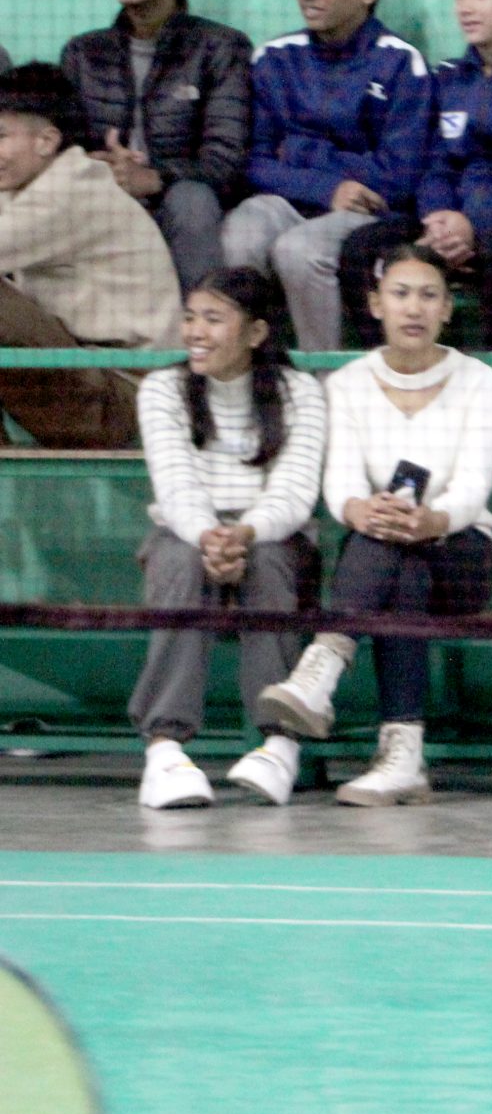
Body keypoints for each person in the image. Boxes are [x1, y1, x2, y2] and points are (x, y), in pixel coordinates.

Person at [259, 247, 492, 806]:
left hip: (462, 553)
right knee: (398, 566)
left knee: (398, 553)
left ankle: (324, 668)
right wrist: (359, 510)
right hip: (389, 552)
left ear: (447, 309)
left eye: (429, 295)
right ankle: (402, 757)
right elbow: (342, 482)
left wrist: (431, 520)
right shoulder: (347, 384)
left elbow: (472, 489)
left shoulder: (480, 381)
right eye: (400, 294)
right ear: (375, 304)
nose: (414, 308)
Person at [337, 0, 492, 446]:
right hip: (445, 218)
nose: (465, 8)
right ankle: (394, 386)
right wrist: (439, 217)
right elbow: (433, 162)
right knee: (362, 248)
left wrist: (474, 226)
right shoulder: (446, 78)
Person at [128, 269, 326, 810]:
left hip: (272, 534)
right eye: (191, 317)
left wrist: (245, 532)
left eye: (214, 319)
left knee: (269, 562)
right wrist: (208, 537)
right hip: (187, 530)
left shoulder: (301, 392)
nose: (195, 332)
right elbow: (175, 487)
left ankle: (279, 745)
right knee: (180, 562)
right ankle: (164, 750)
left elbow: (294, 491)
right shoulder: (162, 389)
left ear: (257, 332)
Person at [221, 0, 434, 349]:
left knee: (299, 251)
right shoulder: (274, 58)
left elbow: (399, 177)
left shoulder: (401, 63)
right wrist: (328, 187)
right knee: (242, 233)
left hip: (368, 213)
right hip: (291, 201)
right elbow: (254, 163)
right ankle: (254, 369)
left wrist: (299, 151)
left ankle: (322, 378)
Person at [58, 0, 255, 291]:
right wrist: (97, 165)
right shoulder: (83, 53)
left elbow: (225, 162)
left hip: (178, 198)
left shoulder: (220, 48)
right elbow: (61, 147)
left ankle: (199, 321)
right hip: (103, 193)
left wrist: (153, 177)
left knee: (192, 199)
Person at [0, 63, 183, 447]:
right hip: (88, 375)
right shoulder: (29, 186)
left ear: (46, 141)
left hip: (129, 396)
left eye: (1, 136)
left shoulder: (68, 193)